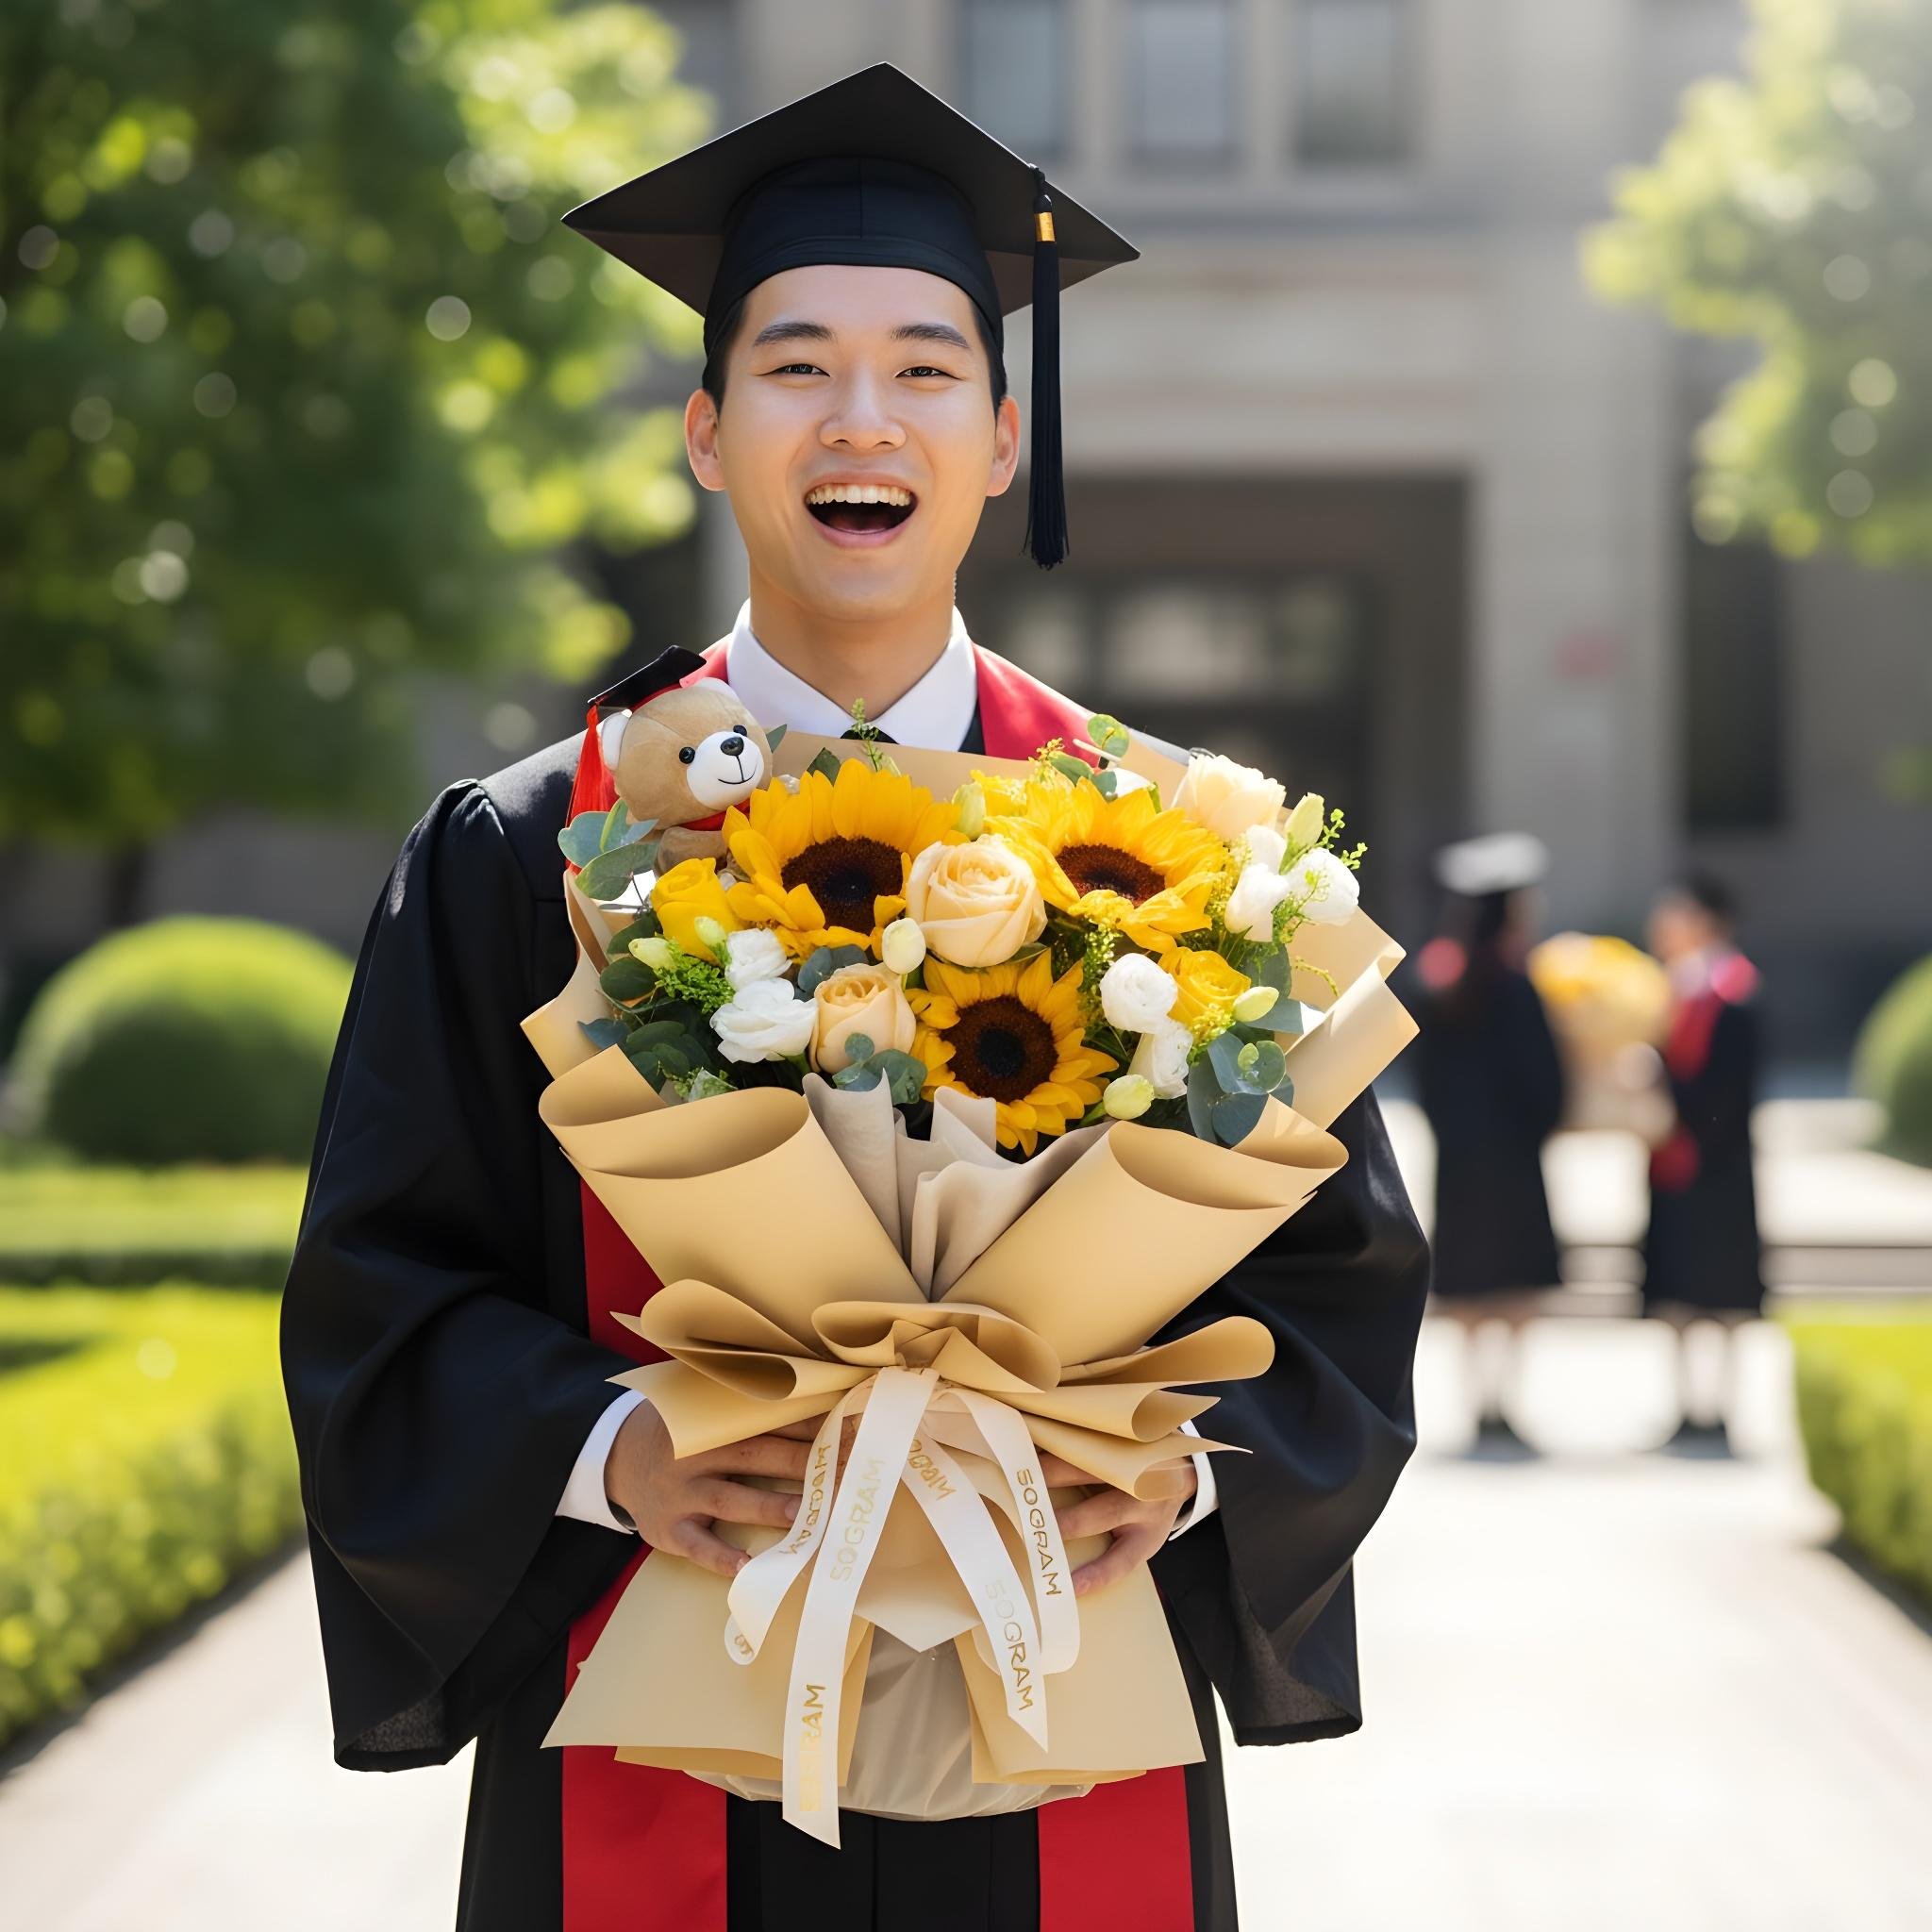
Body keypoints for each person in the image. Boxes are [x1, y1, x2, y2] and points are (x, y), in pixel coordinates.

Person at [281, 64, 1430, 1932]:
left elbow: (1334, 1290)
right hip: (653, 1707)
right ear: (704, 429)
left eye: (921, 366)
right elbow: (374, 1298)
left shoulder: (1176, 848)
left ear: (997, 437)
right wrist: (608, 1445)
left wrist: (1188, 1475)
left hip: (1063, 1708)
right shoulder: (531, 856)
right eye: (796, 365)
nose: (858, 416)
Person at [1410, 834, 1565, 1454]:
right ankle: (1503, 1403)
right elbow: (1545, 1080)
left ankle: (1477, 1404)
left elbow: (1421, 1077)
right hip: (1514, 1159)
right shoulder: (1516, 985)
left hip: (1461, 1160)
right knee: (1515, 1288)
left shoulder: (1438, 980)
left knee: (1471, 1288)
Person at [1641, 870, 1764, 1451]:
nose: (1663, 924)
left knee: (1724, 1298)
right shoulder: (1667, 990)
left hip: (1718, 1166)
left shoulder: (1733, 992)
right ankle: (1688, 1405)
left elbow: (1730, 1092)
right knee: (1678, 1297)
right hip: (1673, 1164)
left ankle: (1723, 1408)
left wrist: (1662, 1087)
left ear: (1706, 921)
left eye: (1676, 912)